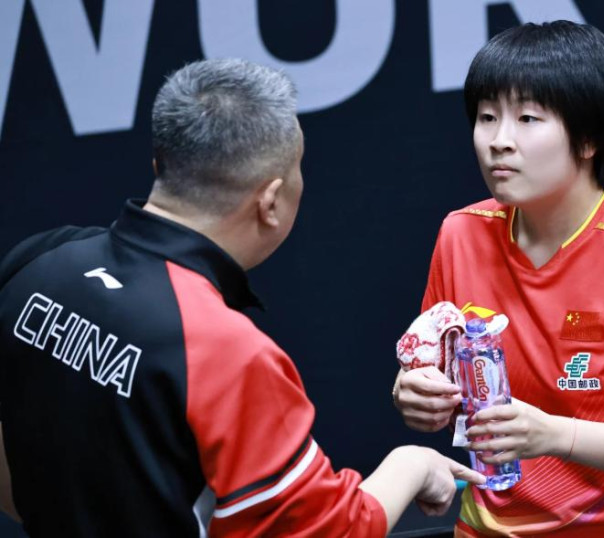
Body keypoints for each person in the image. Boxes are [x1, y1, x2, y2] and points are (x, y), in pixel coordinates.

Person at [0, 58, 482, 537]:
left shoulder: (38, 259)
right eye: (298, 169)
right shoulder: (225, 352)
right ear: (270, 202)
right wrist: (413, 465)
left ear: (159, 167)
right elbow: (331, 531)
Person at [392, 20, 604, 537]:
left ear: (588, 138)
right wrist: (414, 393)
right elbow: (440, 373)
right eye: (487, 117)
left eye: (527, 119)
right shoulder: (460, 233)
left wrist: (556, 435)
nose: (499, 141)